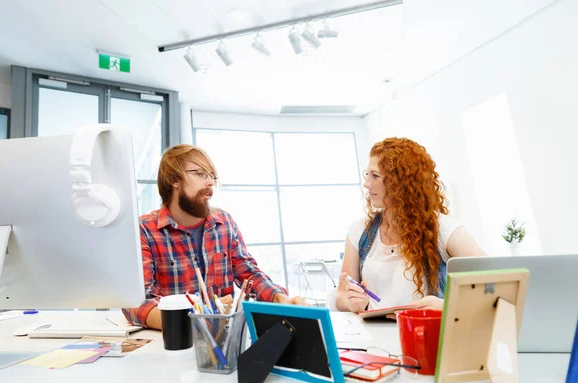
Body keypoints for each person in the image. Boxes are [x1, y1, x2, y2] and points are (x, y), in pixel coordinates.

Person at [123, 144, 304, 329]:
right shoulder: (144, 230)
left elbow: (249, 274)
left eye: (212, 176)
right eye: (200, 174)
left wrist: (279, 298)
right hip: (173, 343)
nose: (210, 182)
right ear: (173, 180)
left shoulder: (224, 222)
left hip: (224, 342)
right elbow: (137, 302)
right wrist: (195, 322)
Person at [335, 137, 486, 314]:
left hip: (422, 335)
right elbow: (341, 295)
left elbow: (493, 285)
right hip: (372, 337)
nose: (367, 184)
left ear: (401, 183)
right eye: (367, 175)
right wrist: (352, 303)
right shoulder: (359, 230)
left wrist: (446, 306)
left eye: (375, 176)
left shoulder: (442, 228)